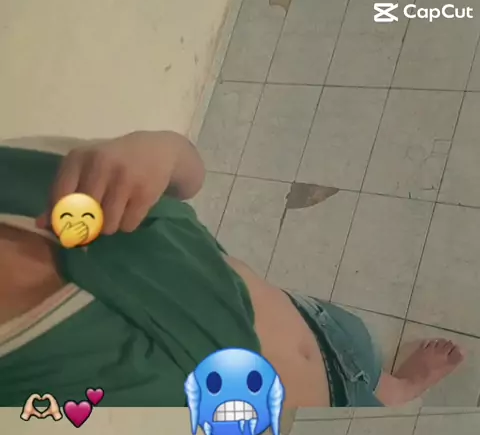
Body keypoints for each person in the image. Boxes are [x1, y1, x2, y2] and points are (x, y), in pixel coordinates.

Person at [0, 131, 465, 409]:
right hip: (335, 406)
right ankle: (400, 392)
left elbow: (185, 179)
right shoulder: (28, 384)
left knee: (377, 378)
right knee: (383, 398)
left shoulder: (18, 172)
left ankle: (392, 386)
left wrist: (159, 147)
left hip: (320, 324)